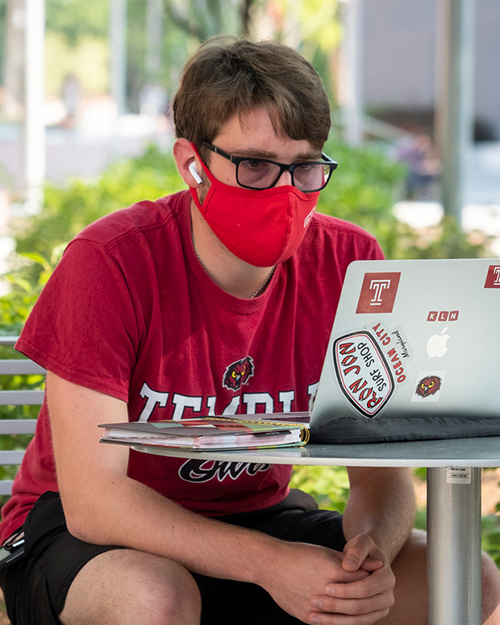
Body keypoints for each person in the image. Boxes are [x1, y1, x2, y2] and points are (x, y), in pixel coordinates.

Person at [0, 37, 499, 625]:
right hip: (87, 537)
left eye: (306, 167)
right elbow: (94, 503)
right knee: (152, 598)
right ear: (193, 164)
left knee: (462, 575)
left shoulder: (351, 263)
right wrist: (269, 563)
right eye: (256, 165)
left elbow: (381, 475)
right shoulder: (110, 261)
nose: (286, 192)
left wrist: (369, 556)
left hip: (257, 519)